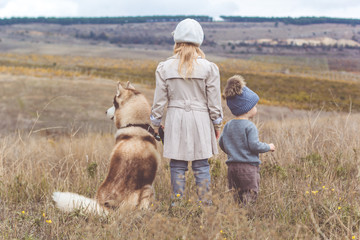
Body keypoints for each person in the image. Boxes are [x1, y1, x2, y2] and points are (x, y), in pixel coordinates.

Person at [150, 18, 223, 204]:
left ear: (177, 40)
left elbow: (159, 101)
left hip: (175, 118)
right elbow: (214, 102)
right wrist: (217, 123)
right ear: (199, 41)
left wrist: (155, 124)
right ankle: (205, 203)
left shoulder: (164, 67)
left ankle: (177, 202)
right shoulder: (209, 68)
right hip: (201, 118)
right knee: (201, 163)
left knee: (177, 164)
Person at [219, 75, 275, 204]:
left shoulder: (228, 125)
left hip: (232, 168)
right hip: (248, 168)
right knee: (249, 194)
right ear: (247, 108)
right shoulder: (250, 126)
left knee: (236, 195)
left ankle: (237, 217)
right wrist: (269, 147)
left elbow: (222, 143)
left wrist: (232, 151)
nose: (256, 108)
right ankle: (247, 217)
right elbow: (254, 145)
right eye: (254, 105)